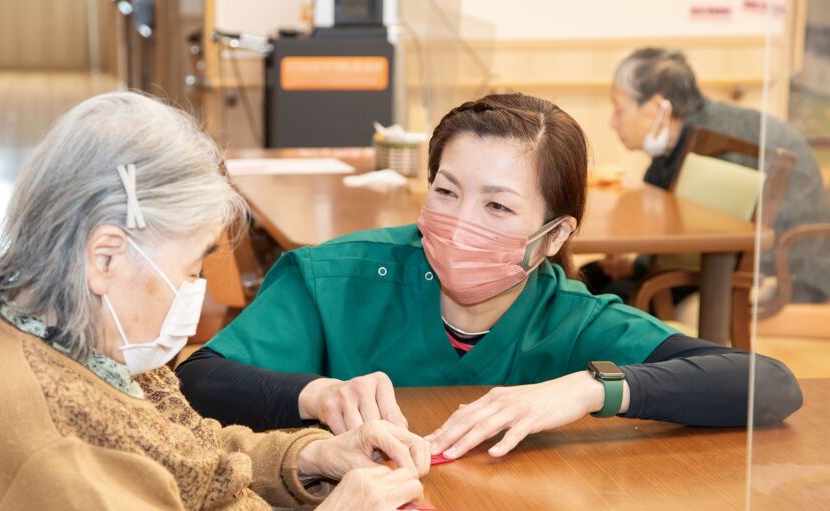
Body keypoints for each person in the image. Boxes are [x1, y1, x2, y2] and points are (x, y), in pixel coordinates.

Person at [0, 92, 431, 511]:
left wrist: (315, 457)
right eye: (187, 268)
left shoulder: (66, 339)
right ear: (105, 257)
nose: (195, 296)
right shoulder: (54, 437)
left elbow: (187, 456)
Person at [178, 92, 803, 461]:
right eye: (446, 192)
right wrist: (314, 395)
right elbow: (199, 380)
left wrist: (589, 390)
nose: (458, 222)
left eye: (498, 206)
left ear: (555, 235)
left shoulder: (570, 318)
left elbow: (768, 384)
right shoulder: (336, 277)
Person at [583, 46, 830, 303]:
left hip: (783, 275)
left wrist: (636, 264)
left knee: (605, 298)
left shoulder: (715, 142)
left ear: (656, 108)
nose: (613, 122)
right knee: (591, 275)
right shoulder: (692, 134)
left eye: (619, 109)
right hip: (726, 261)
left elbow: (704, 242)